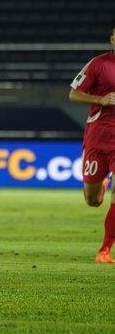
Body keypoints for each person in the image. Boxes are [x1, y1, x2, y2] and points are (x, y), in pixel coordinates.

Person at [68, 21, 115, 264]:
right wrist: (101, 99)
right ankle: (103, 184)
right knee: (93, 201)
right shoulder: (99, 64)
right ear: (112, 40)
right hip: (98, 137)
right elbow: (73, 94)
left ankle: (105, 250)